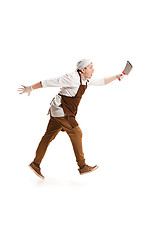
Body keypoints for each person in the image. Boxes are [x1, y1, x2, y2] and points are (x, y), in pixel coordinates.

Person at [18, 59, 124, 179]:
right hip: (61, 111)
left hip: (59, 111)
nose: (93, 69)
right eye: (90, 67)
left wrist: (116, 76)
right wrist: (30, 88)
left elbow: (101, 81)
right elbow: (48, 82)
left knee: (48, 136)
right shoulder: (72, 78)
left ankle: (35, 164)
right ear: (83, 69)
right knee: (77, 132)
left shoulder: (85, 79)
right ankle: (82, 166)